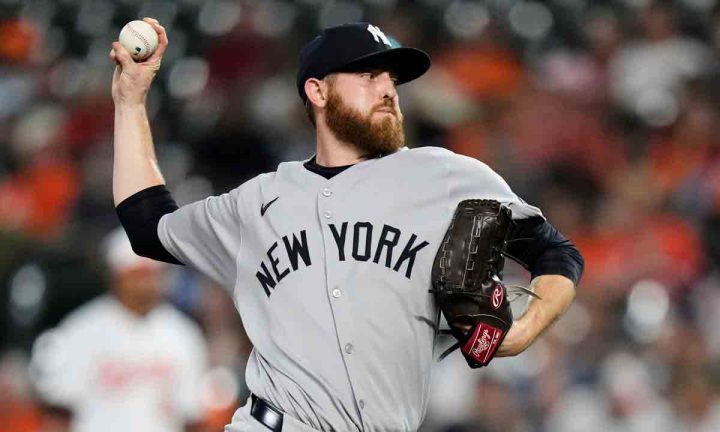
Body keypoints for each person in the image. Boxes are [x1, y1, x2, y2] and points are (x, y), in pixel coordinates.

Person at [109, 19, 583, 432]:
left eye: (391, 77)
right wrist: (131, 102)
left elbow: (557, 254)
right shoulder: (257, 202)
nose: (388, 88)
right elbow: (148, 226)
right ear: (318, 91)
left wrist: (523, 331)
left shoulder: (449, 178)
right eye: (367, 73)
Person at [29, 228, 208, 432]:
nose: (145, 284)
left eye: (151, 275)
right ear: (116, 276)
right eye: (136, 275)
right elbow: (58, 413)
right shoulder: (81, 329)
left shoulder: (183, 334)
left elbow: (193, 416)